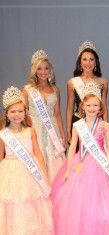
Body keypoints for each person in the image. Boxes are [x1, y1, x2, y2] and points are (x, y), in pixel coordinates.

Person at [51, 82, 109, 235]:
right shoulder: (78, 125)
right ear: (83, 106)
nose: (92, 108)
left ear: (100, 108)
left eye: (95, 105)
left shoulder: (105, 125)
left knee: (101, 200)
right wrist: (67, 170)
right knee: (78, 201)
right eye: (89, 105)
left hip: (101, 164)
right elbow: (72, 147)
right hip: (81, 163)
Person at [0, 86, 54, 235]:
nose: (16, 115)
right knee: (13, 203)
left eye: (20, 111)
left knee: (33, 203)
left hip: (31, 173)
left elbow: (38, 153)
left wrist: (44, 175)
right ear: (6, 113)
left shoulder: (31, 131)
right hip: (10, 173)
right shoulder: (3, 134)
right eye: (13, 111)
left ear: (25, 112)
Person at [22, 49, 65, 183]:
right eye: (39, 69)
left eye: (46, 68)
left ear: (50, 70)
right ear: (34, 71)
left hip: (52, 128)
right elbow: (23, 114)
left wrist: (62, 135)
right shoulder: (27, 90)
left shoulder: (56, 90)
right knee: (37, 156)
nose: (43, 72)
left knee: (54, 159)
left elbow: (57, 114)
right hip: (35, 127)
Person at [66, 40, 108, 145]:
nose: (88, 63)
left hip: (96, 123)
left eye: (91, 60)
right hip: (78, 122)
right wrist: (68, 130)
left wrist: (106, 128)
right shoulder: (72, 82)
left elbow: (104, 107)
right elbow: (69, 108)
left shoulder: (103, 82)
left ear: (96, 62)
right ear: (80, 62)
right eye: (84, 59)